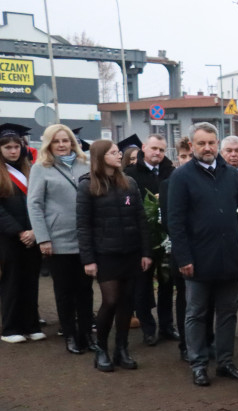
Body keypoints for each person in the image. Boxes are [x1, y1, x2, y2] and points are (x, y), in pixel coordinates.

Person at [167, 122, 238, 387]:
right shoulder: (181, 177)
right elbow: (175, 222)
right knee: (196, 313)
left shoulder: (232, 175)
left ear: (218, 144)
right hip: (197, 259)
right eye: (201, 143)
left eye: (211, 143)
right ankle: (199, 364)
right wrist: (184, 258)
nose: (207, 148)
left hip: (229, 257)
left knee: (227, 313)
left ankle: (225, 362)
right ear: (192, 146)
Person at [76, 140, 152, 371]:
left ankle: (122, 349)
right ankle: (101, 349)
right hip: (105, 254)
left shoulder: (129, 182)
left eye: (119, 152)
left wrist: (146, 252)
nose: (119, 155)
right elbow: (83, 225)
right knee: (110, 301)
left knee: (127, 302)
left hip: (130, 252)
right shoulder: (87, 186)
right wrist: (88, 259)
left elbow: (141, 219)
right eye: (113, 153)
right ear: (100, 157)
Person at [26, 124, 93, 354]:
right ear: (48, 144)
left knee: (86, 289)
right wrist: (43, 238)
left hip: (85, 238)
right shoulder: (40, 168)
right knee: (64, 290)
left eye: (66, 140)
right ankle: (70, 336)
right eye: (57, 141)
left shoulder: (86, 164)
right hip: (57, 239)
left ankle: (87, 334)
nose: (62, 145)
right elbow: (34, 205)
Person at [124, 134, 177, 346]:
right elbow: (126, 203)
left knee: (167, 283)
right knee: (143, 285)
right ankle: (148, 328)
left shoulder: (172, 173)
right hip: (141, 239)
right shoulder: (130, 174)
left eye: (162, 150)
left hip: (166, 238)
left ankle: (167, 326)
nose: (158, 153)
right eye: (154, 148)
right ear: (144, 148)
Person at [0, 123, 44, 344]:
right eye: (7, 147)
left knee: (31, 281)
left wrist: (35, 231)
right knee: (12, 281)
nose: (13, 151)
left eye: (16, 146)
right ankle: (10, 328)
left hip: (33, 236)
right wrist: (19, 231)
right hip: (8, 238)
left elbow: (39, 204)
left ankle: (31, 324)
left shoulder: (31, 170)